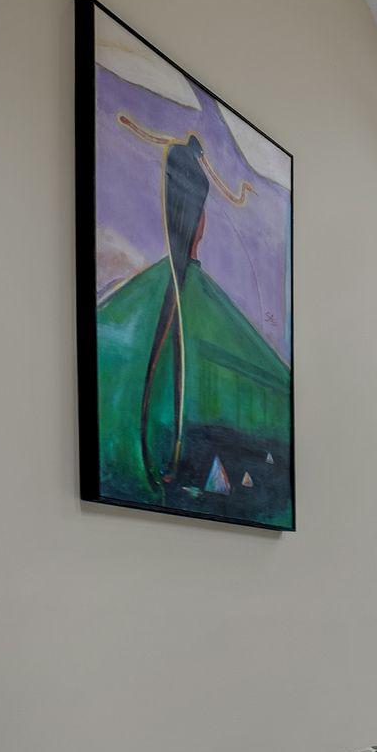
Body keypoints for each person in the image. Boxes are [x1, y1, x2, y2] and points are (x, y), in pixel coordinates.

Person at [116, 114, 254, 488]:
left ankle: (169, 456)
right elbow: (152, 132)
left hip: (187, 245)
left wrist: (239, 194)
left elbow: (222, 189)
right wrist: (130, 124)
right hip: (182, 245)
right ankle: (159, 450)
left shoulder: (192, 164)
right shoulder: (180, 157)